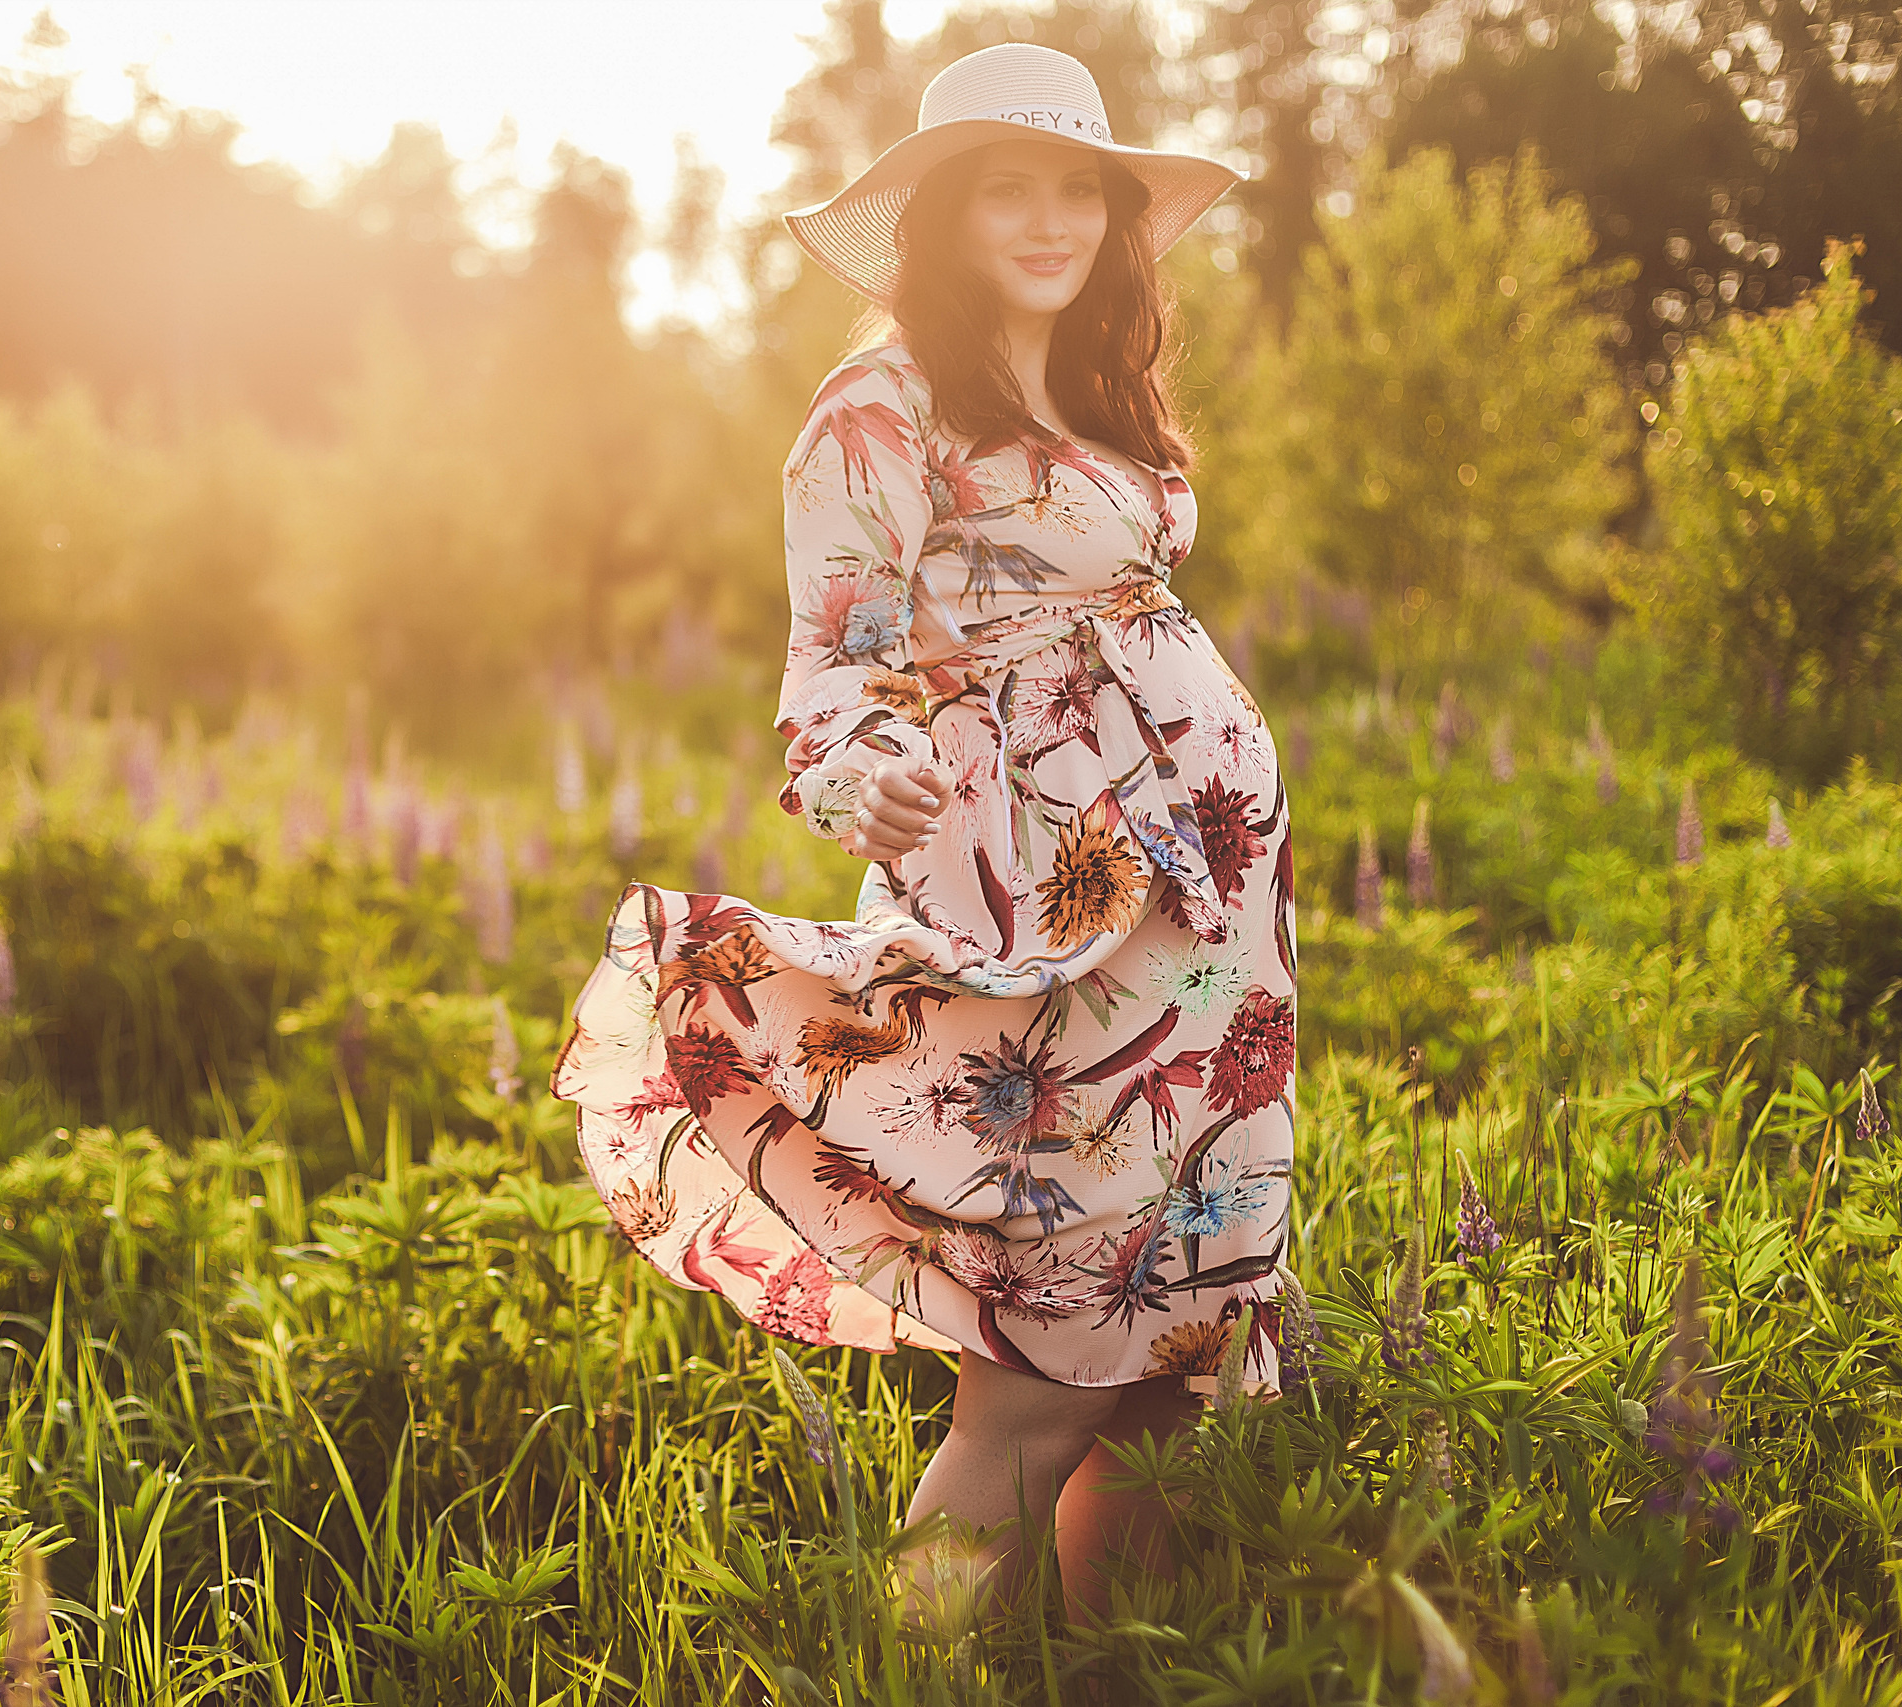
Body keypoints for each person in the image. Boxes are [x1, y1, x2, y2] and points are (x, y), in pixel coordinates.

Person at [550, 41, 1297, 1632]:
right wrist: (860, 770)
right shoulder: (879, 403)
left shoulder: (1098, 384)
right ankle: (901, 1669)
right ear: (943, 216)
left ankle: (1115, 1669)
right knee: (1042, 1364)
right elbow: (833, 660)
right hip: (1050, 905)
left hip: (1201, 917)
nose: (1047, 221)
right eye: (1004, 189)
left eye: (1075, 189)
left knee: (1170, 1351)